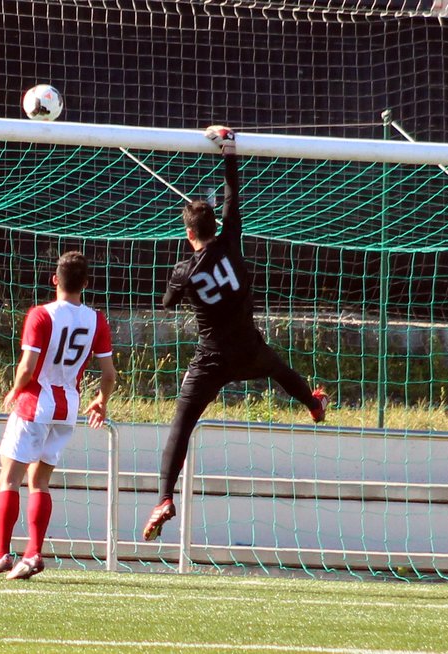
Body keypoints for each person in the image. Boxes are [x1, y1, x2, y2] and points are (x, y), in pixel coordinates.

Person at [142, 126, 328, 542]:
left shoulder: (183, 271)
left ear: (189, 233)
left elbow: (167, 304)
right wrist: (229, 150)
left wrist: (180, 282)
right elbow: (232, 196)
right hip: (248, 348)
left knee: (180, 426)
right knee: (280, 370)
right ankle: (314, 405)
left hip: (211, 357)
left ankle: (164, 498)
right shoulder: (230, 239)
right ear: (216, 225)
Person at [0, 251, 116, 580]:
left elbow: (27, 367)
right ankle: (33, 553)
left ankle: (1, 555)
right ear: (85, 283)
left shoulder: (41, 315)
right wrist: (102, 400)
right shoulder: (96, 319)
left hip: (35, 403)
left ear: (55, 279)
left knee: (9, 479)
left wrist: (14, 389)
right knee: (40, 482)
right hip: (67, 408)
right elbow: (109, 374)